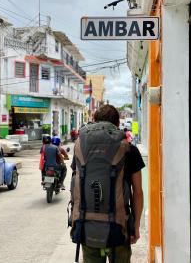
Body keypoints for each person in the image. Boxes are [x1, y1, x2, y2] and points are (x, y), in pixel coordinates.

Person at [70, 104, 144, 263]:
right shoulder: (129, 149)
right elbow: (137, 192)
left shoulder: (80, 147)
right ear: (117, 124)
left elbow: (75, 183)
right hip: (119, 228)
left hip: (86, 226)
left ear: (95, 121)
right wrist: (136, 226)